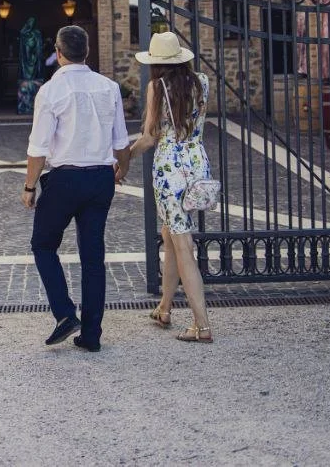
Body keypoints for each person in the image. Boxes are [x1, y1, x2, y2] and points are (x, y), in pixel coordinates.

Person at [22, 25, 130, 352]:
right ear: (87, 50)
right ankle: (92, 335)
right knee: (93, 257)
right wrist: (121, 168)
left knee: (43, 245)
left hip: (64, 179)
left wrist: (29, 187)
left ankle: (65, 314)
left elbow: (38, 147)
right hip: (100, 179)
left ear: (58, 52)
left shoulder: (51, 91)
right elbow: (121, 140)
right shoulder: (109, 87)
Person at [129, 32, 214, 344]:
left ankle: (201, 326)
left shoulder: (157, 87)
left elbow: (150, 138)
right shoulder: (202, 82)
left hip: (170, 172)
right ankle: (164, 307)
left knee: (182, 246)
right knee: (170, 234)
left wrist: (123, 156)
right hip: (197, 164)